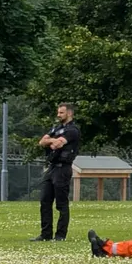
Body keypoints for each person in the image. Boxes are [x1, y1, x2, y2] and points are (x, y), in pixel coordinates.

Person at [31, 102, 81, 241]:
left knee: (61, 203)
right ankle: (45, 234)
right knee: (45, 201)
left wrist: (52, 141)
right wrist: (51, 141)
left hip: (63, 168)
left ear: (69, 113)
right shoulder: (57, 128)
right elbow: (42, 142)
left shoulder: (73, 130)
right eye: (58, 112)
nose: (58, 115)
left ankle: (60, 235)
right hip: (52, 167)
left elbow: (58, 144)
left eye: (61, 113)